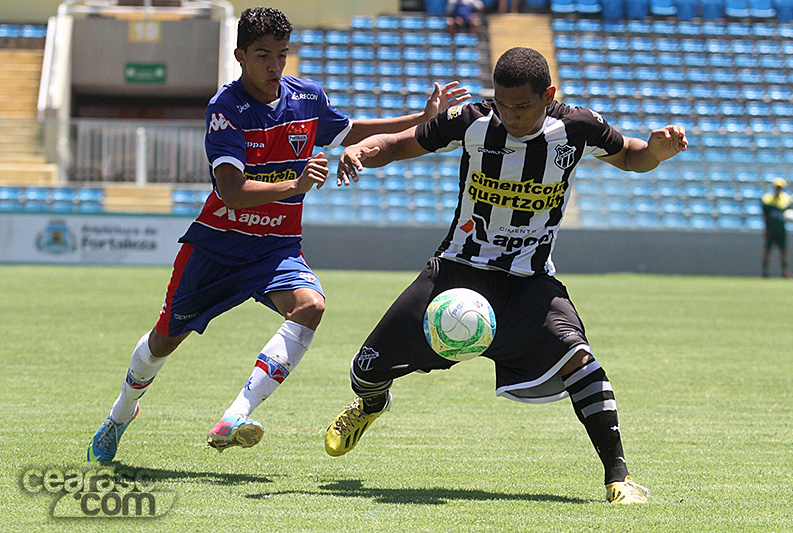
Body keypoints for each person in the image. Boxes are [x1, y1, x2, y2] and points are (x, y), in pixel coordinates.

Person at [87, 6, 469, 462]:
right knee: (163, 340)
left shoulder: (306, 99)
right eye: (263, 55)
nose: (274, 66)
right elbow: (230, 191)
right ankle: (122, 412)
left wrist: (421, 120)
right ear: (240, 56)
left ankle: (235, 415)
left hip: (276, 247)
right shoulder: (225, 110)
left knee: (311, 306)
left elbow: (353, 131)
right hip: (217, 247)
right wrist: (297, 184)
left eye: (282, 55)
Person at [324, 47, 688, 504]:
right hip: (457, 269)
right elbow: (400, 144)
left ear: (548, 95)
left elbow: (632, 156)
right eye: (502, 104)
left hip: (528, 280)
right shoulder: (473, 120)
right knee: (365, 370)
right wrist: (361, 149)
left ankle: (619, 477)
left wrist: (656, 150)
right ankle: (371, 405)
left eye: (522, 106)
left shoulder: (577, 128)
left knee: (579, 359)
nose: (510, 116)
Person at [761, 177, 793, 278]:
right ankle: (765, 271)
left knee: (783, 251)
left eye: (780, 187)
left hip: (781, 230)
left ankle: (785, 271)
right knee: (768, 250)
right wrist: (766, 229)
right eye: (777, 187)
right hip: (771, 229)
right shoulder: (767, 199)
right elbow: (765, 216)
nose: (778, 189)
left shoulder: (787, 199)